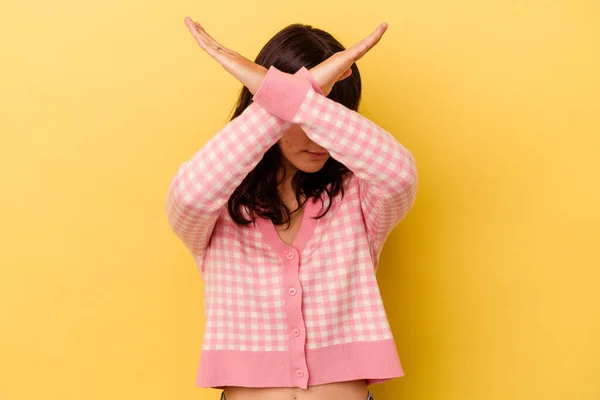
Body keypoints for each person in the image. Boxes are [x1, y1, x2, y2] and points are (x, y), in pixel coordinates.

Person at [165, 16, 419, 400]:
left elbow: (400, 175)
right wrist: (284, 98)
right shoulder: (220, 204)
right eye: (301, 117)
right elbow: (188, 197)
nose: (320, 137)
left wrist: (297, 97)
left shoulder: (359, 197)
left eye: (330, 115)